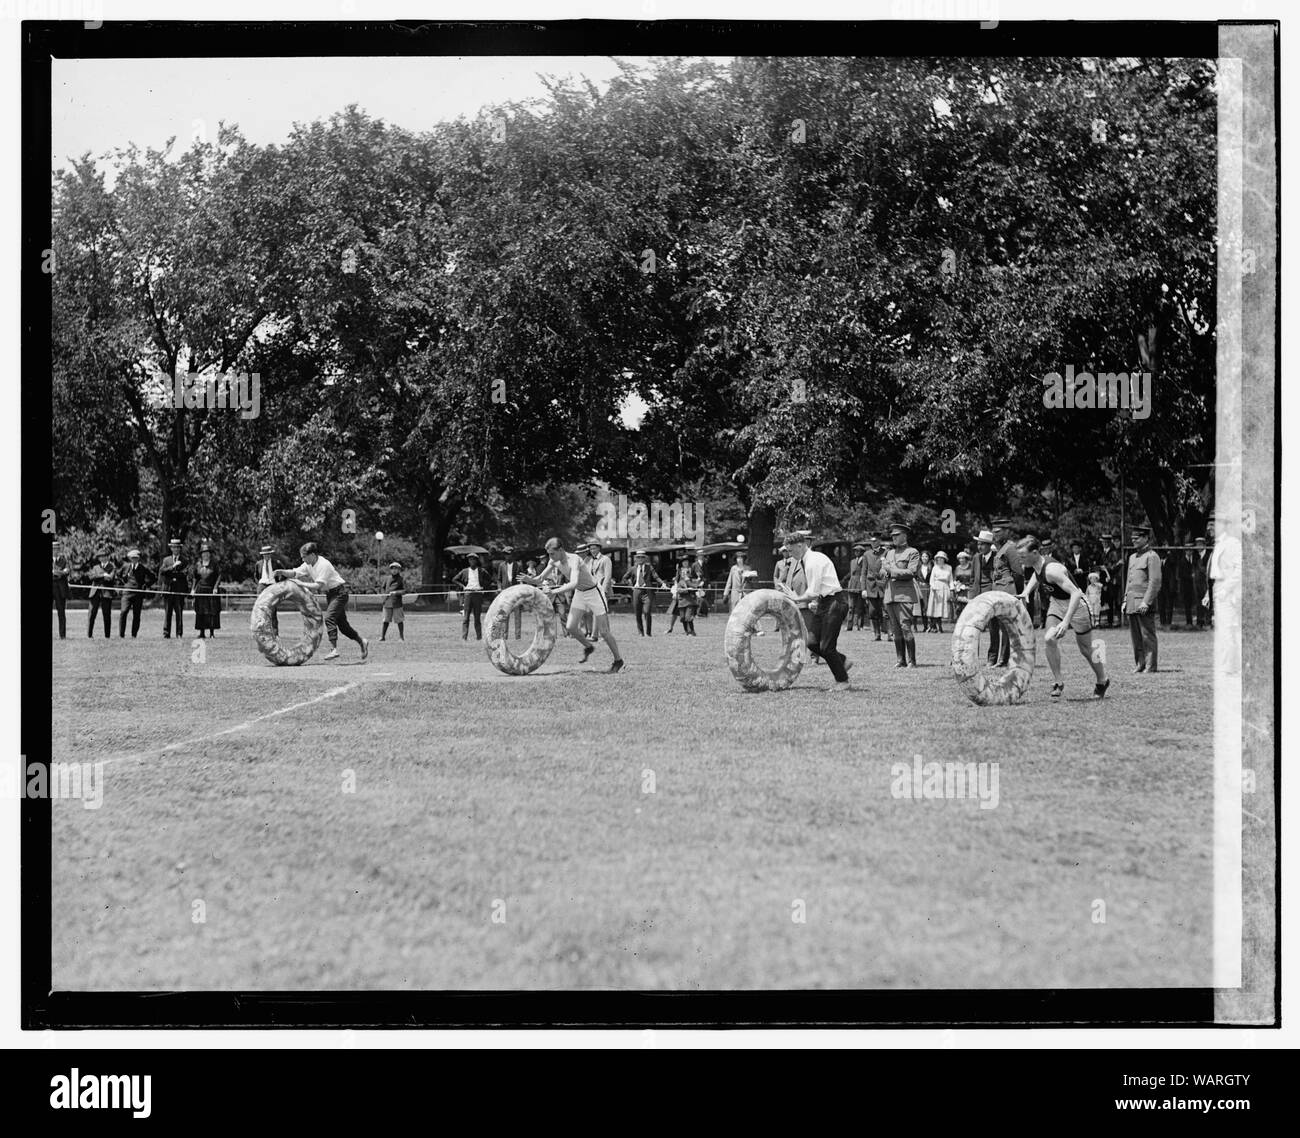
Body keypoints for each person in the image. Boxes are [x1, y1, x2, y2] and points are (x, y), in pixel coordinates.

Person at [1019, 535, 1110, 699]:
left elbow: (1076, 593)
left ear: (1034, 553)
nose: (1021, 559)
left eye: (1023, 556)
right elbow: (1036, 575)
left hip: (1077, 605)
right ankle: (1058, 682)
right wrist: (1027, 591)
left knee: (1086, 649)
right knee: (1049, 639)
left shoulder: (1052, 570)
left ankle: (1103, 680)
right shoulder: (1036, 564)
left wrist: (1066, 621)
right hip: (1057, 603)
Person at [776, 532, 852, 691]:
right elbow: (816, 591)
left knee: (826, 647)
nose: (790, 555)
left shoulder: (812, 562)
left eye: (791, 551)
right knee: (812, 642)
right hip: (825, 602)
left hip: (835, 602)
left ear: (800, 545)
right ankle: (842, 661)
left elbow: (813, 592)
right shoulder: (806, 560)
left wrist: (796, 599)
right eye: (788, 552)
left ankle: (843, 681)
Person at [541, 536, 624, 672]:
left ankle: (618, 660)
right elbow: (540, 578)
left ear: (560, 550)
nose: (550, 557)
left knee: (604, 632)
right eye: (549, 554)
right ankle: (589, 646)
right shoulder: (553, 561)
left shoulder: (574, 559)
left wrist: (554, 591)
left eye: (552, 553)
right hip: (580, 593)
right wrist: (529, 580)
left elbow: (573, 583)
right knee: (571, 627)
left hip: (594, 593)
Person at [276, 542, 369, 661]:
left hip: (340, 593)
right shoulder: (308, 564)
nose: (302, 559)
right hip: (331, 594)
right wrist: (282, 572)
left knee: (329, 617)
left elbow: (318, 585)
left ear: (313, 555)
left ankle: (333, 650)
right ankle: (362, 642)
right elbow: (295, 572)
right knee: (343, 627)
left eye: (304, 556)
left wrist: (301, 583)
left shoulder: (324, 564)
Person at [881, 523, 921, 668]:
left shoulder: (912, 552)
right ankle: (900, 660)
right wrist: (884, 572)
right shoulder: (889, 553)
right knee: (895, 629)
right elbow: (882, 570)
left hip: (904, 594)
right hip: (890, 594)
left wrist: (891, 571)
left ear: (905, 536)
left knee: (905, 627)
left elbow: (911, 572)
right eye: (892, 536)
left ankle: (912, 660)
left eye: (897, 535)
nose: (894, 538)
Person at [988, 517, 1026, 666]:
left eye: (998, 532)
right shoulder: (1001, 549)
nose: (995, 535)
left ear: (1006, 532)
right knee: (1002, 625)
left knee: (1007, 626)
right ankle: (1003, 659)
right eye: (994, 532)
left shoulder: (1010, 548)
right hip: (998, 589)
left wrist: (1016, 592)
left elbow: (1018, 573)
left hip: (1007, 590)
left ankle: (1004, 659)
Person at [1124, 524, 1162, 673]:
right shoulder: (1132, 557)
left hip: (1144, 602)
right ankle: (1140, 663)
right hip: (1132, 601)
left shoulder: (1152, 556)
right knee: (1136, 637)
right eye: (1132, 538)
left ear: (1146, 538)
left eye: (1137, 537)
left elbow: (1155, 582)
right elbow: (1129, 580)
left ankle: (1150, 665)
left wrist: (1147, 601)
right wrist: (1125, 599)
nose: (1134, 540)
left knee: (1147, 635)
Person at [623, 549, 669, 635]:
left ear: (645, 559)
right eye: (638, 557)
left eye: (642, 557)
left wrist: (662, 583)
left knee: (647, 612)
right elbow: (624, 578)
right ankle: (641, 632)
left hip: (647, 592)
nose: (640, 559)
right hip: (636, 591)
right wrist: (630, 585)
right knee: (638, 613)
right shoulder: (633, 568)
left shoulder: (649, 567)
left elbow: (656, 577)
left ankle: (648, 633)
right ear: (636, 559)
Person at [969, 529, 997, 661]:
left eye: (983, 544)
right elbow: (972, 578)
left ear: (989, 545)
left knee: (993, 628)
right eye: (978, 544)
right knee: (974, 628)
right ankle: (973, 656)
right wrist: (971, 596)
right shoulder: (976, 558)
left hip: (992, 596)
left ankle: (992, 657)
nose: (979, 547)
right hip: (977, 596)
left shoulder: (997, 557)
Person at [255, 543, 288, 637]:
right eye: (265, 554)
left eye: (268, 554)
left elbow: (284, 573)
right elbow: (256, 575)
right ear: (262, 555)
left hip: (272, 586)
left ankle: (275, 633)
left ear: (270, 554)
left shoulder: (276, 563)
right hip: (262, 586)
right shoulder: (258, 564)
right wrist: (260, 584)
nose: (266, 556)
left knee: (272, 611)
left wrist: (279, 583)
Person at [158, 538, 188, 639]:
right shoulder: (166, 560)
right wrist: (173, 567)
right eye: (174, 547)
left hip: (179, 590)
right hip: (168, 590)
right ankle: (166, 633)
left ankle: (179, 633)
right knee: (168, 613)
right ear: (171, 549)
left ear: (180, 549)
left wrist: (172, 573)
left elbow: (184, 573)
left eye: (177, 548)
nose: (175, 549)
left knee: (179, 613)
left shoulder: (184, 560)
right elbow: (162, 571)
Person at [452, 553, 488, 640]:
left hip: (478, 594)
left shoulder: (481, 571)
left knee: (477, 617)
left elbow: (489, 579)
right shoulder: (465, 571)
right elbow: (454, 579)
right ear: (468, 561)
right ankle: (464, 637)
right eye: (470, 559)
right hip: (468, 594)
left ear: (476, 560)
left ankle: (479, 637)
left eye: (473, 559)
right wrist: (462, 586)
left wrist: (484, 587)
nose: (471, 561)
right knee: (466, 617)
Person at [191, 542, 222, 638]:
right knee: (201, 612)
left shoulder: (215, 564)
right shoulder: (198, 564)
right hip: (200, 590)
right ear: (201, 554)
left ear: (210, 554)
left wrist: (215, 587)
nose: (206, 554)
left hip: (211, 590)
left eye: (207, 553)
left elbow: (219, 576)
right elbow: (195, 578)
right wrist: (193, 589)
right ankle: (202, 633)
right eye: (204, 553)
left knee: (212, 612)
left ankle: (212, 633)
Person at [117, 548, 151, 638]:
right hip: (127, 594)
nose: (134, 559)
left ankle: (134, 635)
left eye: (136, 558)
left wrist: (145, 585)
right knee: (123, 612)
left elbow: (153, 577)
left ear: (138, 558)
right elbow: (118, 575)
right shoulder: (125, 567)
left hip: (138, 594)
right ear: (130, 558)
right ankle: (121, 635)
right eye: (132, 558)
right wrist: (122, 583)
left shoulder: (143, 568)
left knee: (136, 615)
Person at [85, 550, 115, 638]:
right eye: (100, 557)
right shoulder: (95, 567)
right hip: (95, 593)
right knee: (91, 615)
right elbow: (91, 577)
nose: (102, 558)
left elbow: (110, 579)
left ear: (107, 557)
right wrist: (103, 575)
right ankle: (89, 636)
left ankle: (107, 636)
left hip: (106, 593)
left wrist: (99, 576)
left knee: (106, 615)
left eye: (104, 556)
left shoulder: (112, 567)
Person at [496, 547, 524, 639]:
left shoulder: (518, 565)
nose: (507, 556)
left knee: (517, 615)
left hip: (516, 592)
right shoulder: (501, 565)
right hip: (505, 593)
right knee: (505, 614)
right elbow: (499, 579)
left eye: (509, 554)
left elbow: (521, 578)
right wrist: (499, 588)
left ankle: (518, 637)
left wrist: (521, 588)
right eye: (505, 554)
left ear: (512, 555)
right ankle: (504, 636)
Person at [587, 541, 614, 638]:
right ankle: (594, 635)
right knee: (595, 612)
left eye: (594, 548)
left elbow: (608, 576)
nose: (592, 550)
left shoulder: (605, 559)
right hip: (593, 590)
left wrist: (603, 590)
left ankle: (605, 636)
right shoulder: (590, 561)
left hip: (602, 590)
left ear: (599, 549)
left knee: (602, 613)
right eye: (591, 549)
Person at [863, 534, 886, 640]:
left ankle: (889, 633)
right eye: (872, 541)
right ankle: (877, 634)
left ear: (879, 541)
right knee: (873, 611)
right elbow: (863, 572)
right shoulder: (867, 554)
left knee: (886, 611)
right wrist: (863, 589)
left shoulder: (886, 552)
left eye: (875, 541)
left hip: (883, 586)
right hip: (871, 586)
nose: (873, 543)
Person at [925, 550, 955, 633]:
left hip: (945, 588)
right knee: (935, 608)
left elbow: (951, 580)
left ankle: (939, 626)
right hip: (936, 589)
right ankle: (935, 626)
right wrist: (933, 586)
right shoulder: (935, 568)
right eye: (938, 559)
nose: (940, 560)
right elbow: (931, 580)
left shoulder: (949, 568)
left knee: (942, 608)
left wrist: (952, 589)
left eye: (942, 558)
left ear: (944, 559)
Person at [676, 551, 704, 636]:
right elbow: (677, 581)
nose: (685, 563)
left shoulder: (692, 570)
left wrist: (697, 584)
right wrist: (676, 590)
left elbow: (698, 578)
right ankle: (686, 631)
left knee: (689, 617)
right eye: (684, 561)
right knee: (682, 617)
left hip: (690, 597)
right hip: (681, 596)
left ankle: (692, 631)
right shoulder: (679, 571)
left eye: (687, 561)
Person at [1100, 533, 1124, 628]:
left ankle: (1117, 620)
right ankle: (1109, 621)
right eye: (1103, 542)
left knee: (1115, 600)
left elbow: (1111, 567)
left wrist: (1108, 567)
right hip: (1105, 579)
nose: (1104, 544)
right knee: (1108, 600)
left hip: (1113, 579)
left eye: (1107, 542)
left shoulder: (1113, 553)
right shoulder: (1103, 552)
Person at [845, 542, 868, 630]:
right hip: (851, 585)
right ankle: (849, 625)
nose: (856, 552)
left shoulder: (863, 561)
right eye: (855, 551)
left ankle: (859, 625)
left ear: (862, 552)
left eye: (858, 551)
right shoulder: (852, 561)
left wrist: (863, 587)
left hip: (860, 585)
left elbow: (864, 573)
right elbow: (851, 573)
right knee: (851, 607)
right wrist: (844, 580)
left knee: (860, 607)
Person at [381, 561, 406, 641]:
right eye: (392, 568)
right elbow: (383, 588)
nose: (394, 570)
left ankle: (401, 637)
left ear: (399, 570)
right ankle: (382, 637)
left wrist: (396, 592)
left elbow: (404, 591)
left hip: (397, 603)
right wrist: (383, 597)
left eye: (396, 569)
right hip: (387, 603)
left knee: (399, 620)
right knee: (385, 620)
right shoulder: (387, 578)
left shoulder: (401, 579)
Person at [52, 538, 71, 638]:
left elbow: (67, 571)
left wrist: (57, 572)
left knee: (61, 612)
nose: (55, 550)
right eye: (53, 549)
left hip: (60, 589)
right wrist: (60, 572)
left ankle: (62, 635)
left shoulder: (64, 560)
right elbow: (62, 572)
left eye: (57, 549)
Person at [1192, 536, 1210, 628]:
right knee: (1198, 602)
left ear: (1204, 545)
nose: (1198, 547)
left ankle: (1208, 621)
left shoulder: (1208, 555)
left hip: (1205, 582)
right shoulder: (1195, 556)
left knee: (1206, 601)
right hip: (1197, 582)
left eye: (1200, 545)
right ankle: (1200, 622)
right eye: (1197, 545)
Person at [915, 550, 933, 631]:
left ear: (929, 557)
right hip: (920, 588)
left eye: (926, 556)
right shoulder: (918, 567)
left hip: (929, 588)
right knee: (922, 608)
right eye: (923, 556)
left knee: (929, 607)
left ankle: (932, 626)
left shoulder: (932, 567)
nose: (924, 558)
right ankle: (925, 626)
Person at [953, 550, 972, 618]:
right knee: (959, 608)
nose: (961, 560)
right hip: (960, 591)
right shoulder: (957, 568)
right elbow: (955, 579)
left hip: (969, 590)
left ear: (966, 559)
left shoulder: (971, 567)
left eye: (963, 558)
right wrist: (957, 585)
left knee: (969, 607)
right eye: (960, 558)